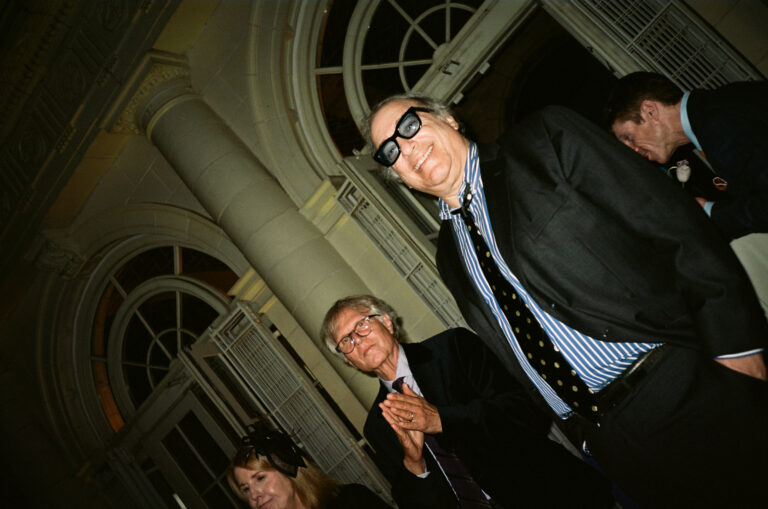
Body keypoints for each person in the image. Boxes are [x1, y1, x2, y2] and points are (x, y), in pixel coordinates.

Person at [365, 94, 768, 508]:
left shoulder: (544, 142)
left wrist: (738, 347)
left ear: (448, 118)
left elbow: (673, 225)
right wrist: (585, 438)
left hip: (683, 384)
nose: (405, 147)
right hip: (611, 442)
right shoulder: (449, 257)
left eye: (409, 125)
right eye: (390, 151)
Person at [321, 295, 613, 509]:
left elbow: (526, 412)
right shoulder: (377, 426)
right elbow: (414, 503)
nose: (357, 340)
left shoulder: (453, 348)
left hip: (550, 494)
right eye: (346, 342)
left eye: (362, 325)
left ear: (386, 321)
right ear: (348, 361)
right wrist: (415, 464)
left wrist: (442, 419)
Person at [605, 71, 768, 316]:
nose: (633, 150)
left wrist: (711, 214)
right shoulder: (714, 113)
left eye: (628, 137)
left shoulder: (719, 125)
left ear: (650, 111)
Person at [228, 424, 392, 509]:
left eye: (260, 478)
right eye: (246, 489)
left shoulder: (352, 501)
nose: (254, 495)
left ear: (289, 467)